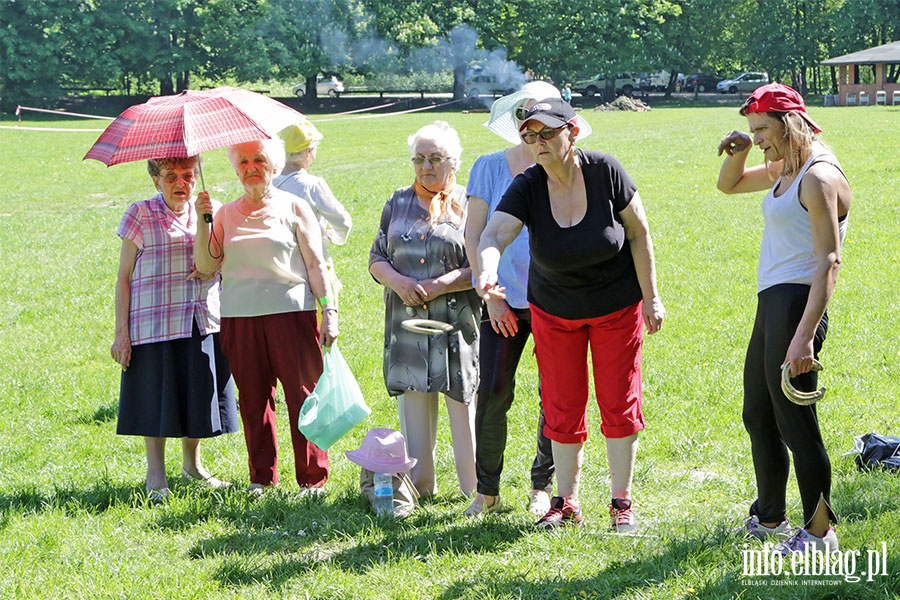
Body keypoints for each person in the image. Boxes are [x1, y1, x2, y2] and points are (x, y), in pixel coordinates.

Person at [477, 98, 665, 531]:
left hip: (616, 307)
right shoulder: (527, 185)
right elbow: (495, 232)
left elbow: (639, 233)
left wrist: (652, 297)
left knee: (619, 402)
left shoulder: (605, 171)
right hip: (555, 311)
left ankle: (621, 503)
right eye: (529, 135)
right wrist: (487, 271)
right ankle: (567, 502)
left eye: (547, 133)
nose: (537, 142)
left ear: (572, 131)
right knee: (562, 405)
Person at [717, 82, 851, 554]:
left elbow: (829, 261)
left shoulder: (817, 176)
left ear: (790, 122)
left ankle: (820, 533)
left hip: (798, 304)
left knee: (796, 420)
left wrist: (805, 337)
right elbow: (728, 184)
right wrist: (735, 150)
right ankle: (770, 517)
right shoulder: (785, 166)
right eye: (751, 131)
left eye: (761, 130)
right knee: (757, 412)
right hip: (772, 301)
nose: (756, 140)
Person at [463, 81, 594, 517]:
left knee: (554, 395)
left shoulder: (570, 168)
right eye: (524, 116)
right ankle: (487, 490)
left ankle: (543, 485)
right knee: (494, 391)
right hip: (502, 299)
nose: (532, 125)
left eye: (540, 118)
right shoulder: (488, 166)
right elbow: (476, 234)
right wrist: (490, 295)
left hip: (554, 299)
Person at [194, 138, 339, 496]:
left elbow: (316, 264)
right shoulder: (224, 213)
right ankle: (262, 477)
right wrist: (203, 220)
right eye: (243, 162)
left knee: (303, 396)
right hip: (239, 318)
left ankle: (312, 478)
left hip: (292, 314)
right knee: (254, 399)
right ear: (236, 168)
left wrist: (330, 310)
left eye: (258, 159)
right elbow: (207, 265)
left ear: (273, 165)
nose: (251, 167)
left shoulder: (295, 207)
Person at [112, 156, 238, 502]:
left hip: (201, 319)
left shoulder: (211, 212)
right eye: (170, 177)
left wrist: (205, 224)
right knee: (157, 398)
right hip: (154, 322)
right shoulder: (140, 214)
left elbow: (218, 260)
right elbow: (123, 278)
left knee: (197, 394)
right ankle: (156, 475)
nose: (180, 183)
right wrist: (121, 332)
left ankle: (193, 466)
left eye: (187, 175)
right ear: (156, 181)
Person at [369, 121, 478, 497]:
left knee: (462, 400)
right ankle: (419, 486)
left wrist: (441, 284)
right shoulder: (397, 201)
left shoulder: (470, 202)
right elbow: (376, 257)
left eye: (435, 158)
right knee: (414, 402)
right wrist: (398, 283)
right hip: (408, 320)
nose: (426, 166)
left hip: (456, 318)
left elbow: (481, 263)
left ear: (454, 162)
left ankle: (474, 488)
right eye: (419, 159)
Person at [274, 117, 352, 304]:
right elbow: (343, 222)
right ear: (308, 152)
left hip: (281, 268)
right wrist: (336, 236)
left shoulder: (271, 183)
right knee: (324, 307)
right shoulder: (313, 185)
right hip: (316, 266)